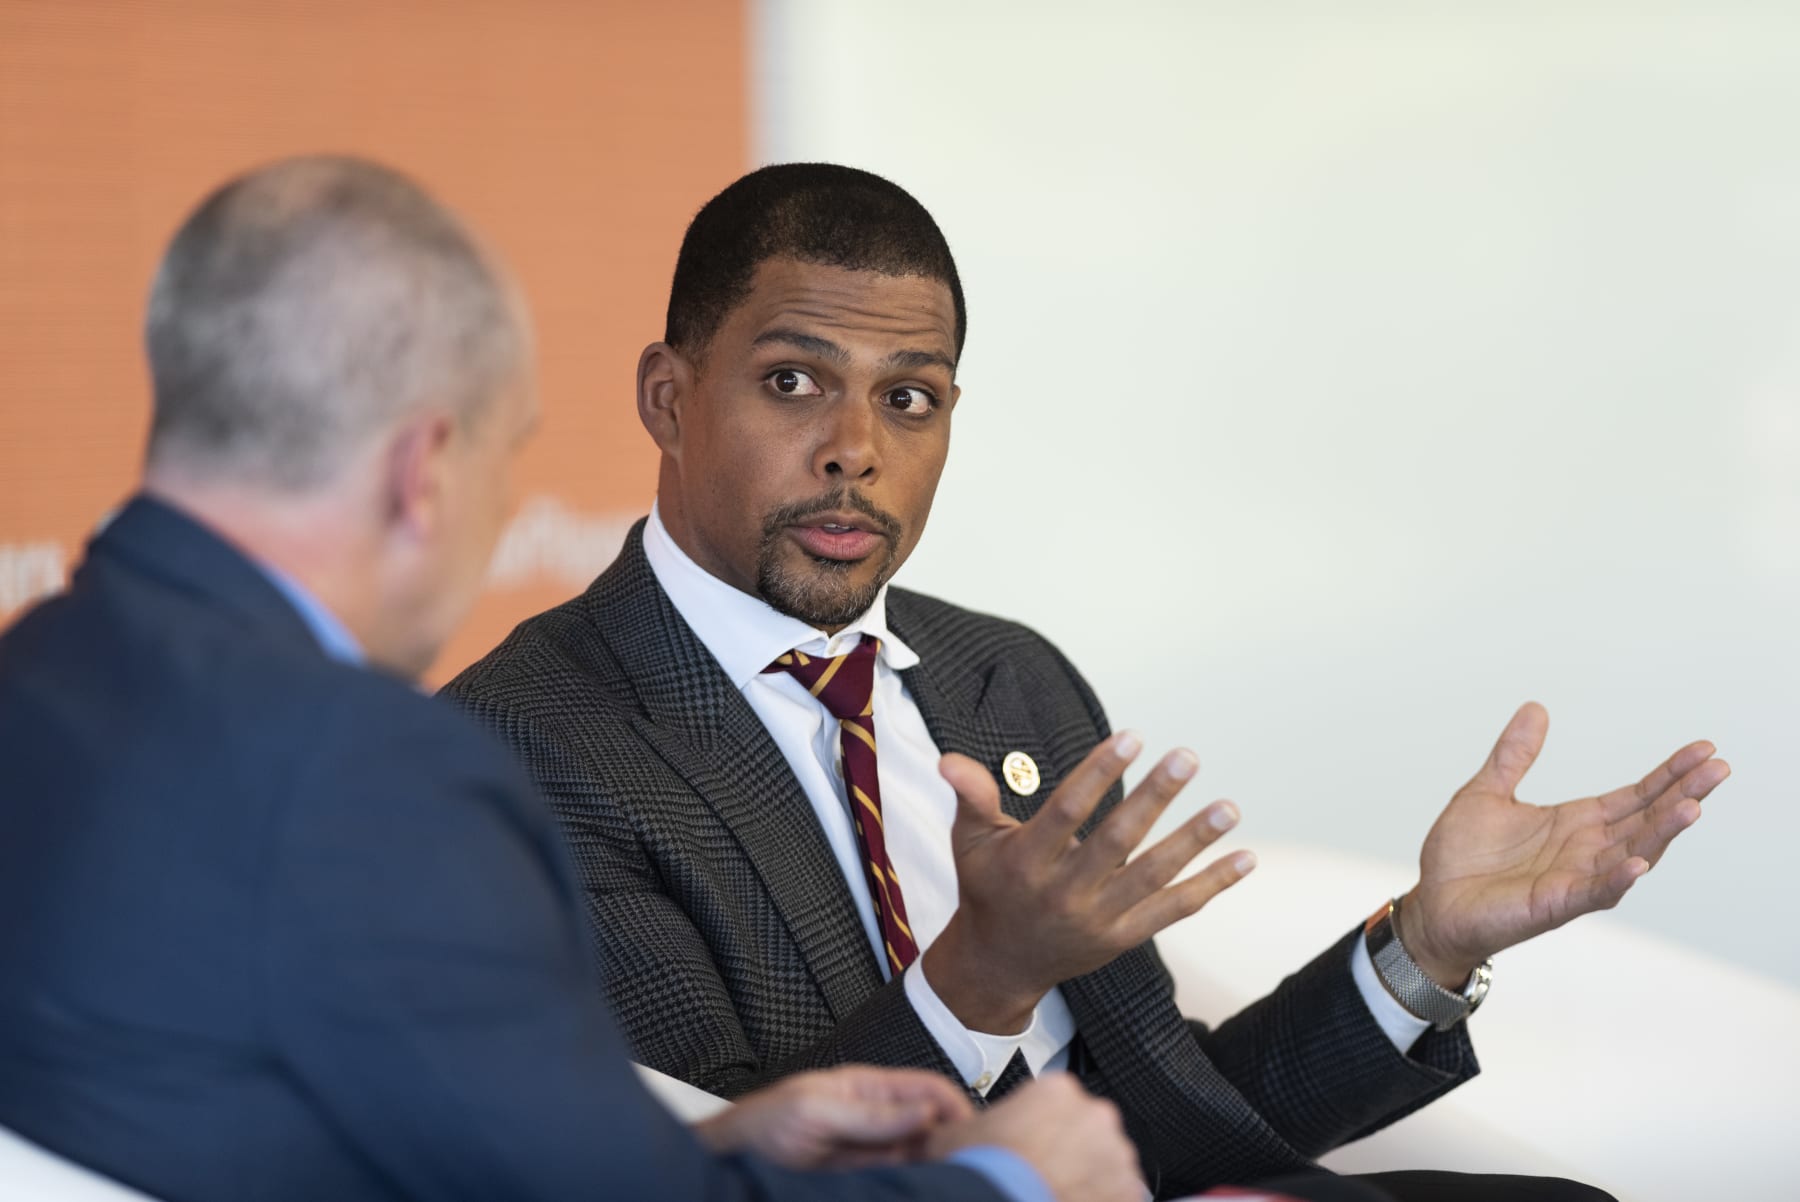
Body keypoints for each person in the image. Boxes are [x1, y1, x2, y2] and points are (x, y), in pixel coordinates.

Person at [444, 163, 1731, 1202]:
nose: (855, 452)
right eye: (795, 383)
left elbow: (1173, 1128)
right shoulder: (520, 746)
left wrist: (1426, 946)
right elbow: (708, 1172)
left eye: (910, 397)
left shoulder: (1006, 676)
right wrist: (979, 979)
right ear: (667, 398)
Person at [0, 156, 1155, 1202]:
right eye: (511, 454)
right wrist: (1008, 1179)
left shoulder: (45, 670)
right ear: (424, 473)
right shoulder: (378, 777)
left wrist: (714, 1139)